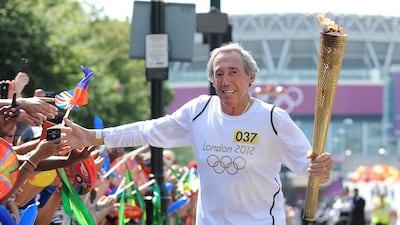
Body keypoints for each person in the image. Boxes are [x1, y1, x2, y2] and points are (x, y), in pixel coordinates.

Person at [61, 42, 334, 225]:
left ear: (251, 78)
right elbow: (147, 130)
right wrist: (93, 136)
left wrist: (322, 168)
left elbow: (311, 169)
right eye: (218, 74)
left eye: (233, 72)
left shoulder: (274, 119)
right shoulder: (199, 111)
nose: (225, 81)